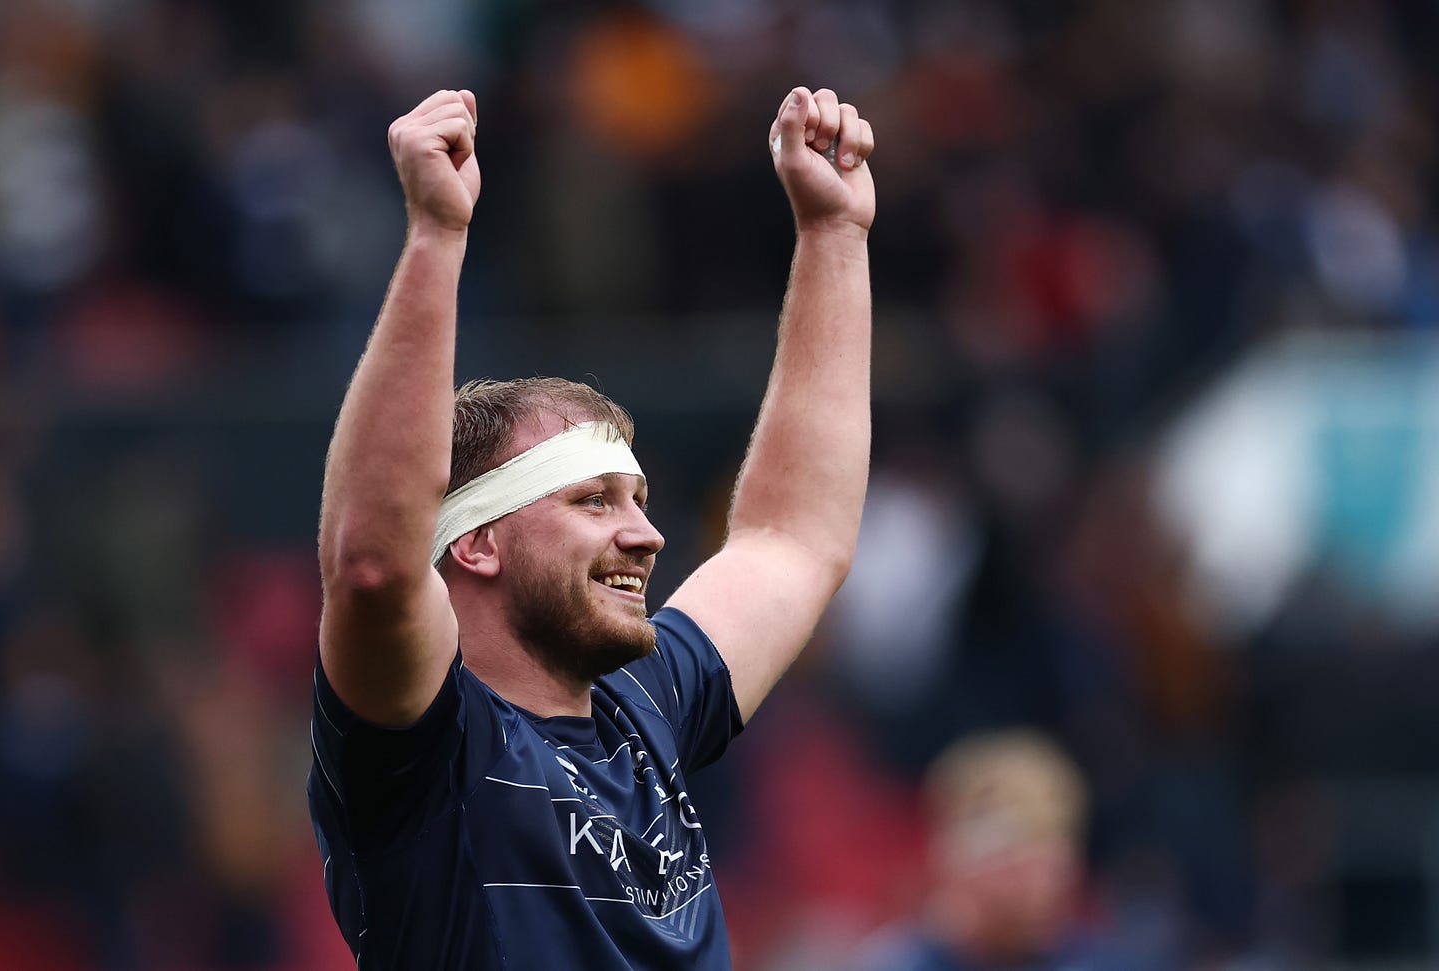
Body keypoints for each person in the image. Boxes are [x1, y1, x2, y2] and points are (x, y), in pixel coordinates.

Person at [307, 85, 875, 969]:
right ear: (476, 542)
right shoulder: (430, 749)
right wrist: (436, 238)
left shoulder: (645, 704)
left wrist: (834, 236)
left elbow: (792, 537)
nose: (646, 536)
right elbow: (374, 565)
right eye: (593, 501)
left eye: (639, 500)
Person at [857, 730, 1135, 971]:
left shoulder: (1102, 963)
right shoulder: (897, 963)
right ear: (952, 855)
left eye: (1049, 860)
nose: (1037, 883)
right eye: (1012, 858)